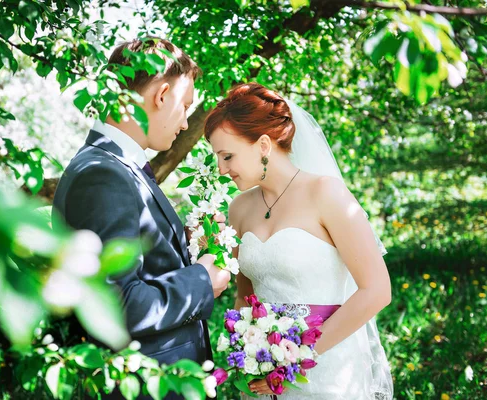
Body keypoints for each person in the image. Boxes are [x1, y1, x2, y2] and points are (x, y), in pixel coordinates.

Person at [53, 37, 231, 398]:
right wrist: (202, 281)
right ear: (162, 95)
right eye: (185, 106)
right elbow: (117, 305)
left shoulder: (116, 167)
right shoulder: (103, 174)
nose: (184, 123)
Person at [204, 83, 394, 399]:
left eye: (227, 156)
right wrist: (246, 352)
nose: (222, 170)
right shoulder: (239, 208)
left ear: (263, 145)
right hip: (263, 375)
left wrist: (296, 357)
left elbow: (376, 291)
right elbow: (244, 297)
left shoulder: (326, 194)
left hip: (327, 371)